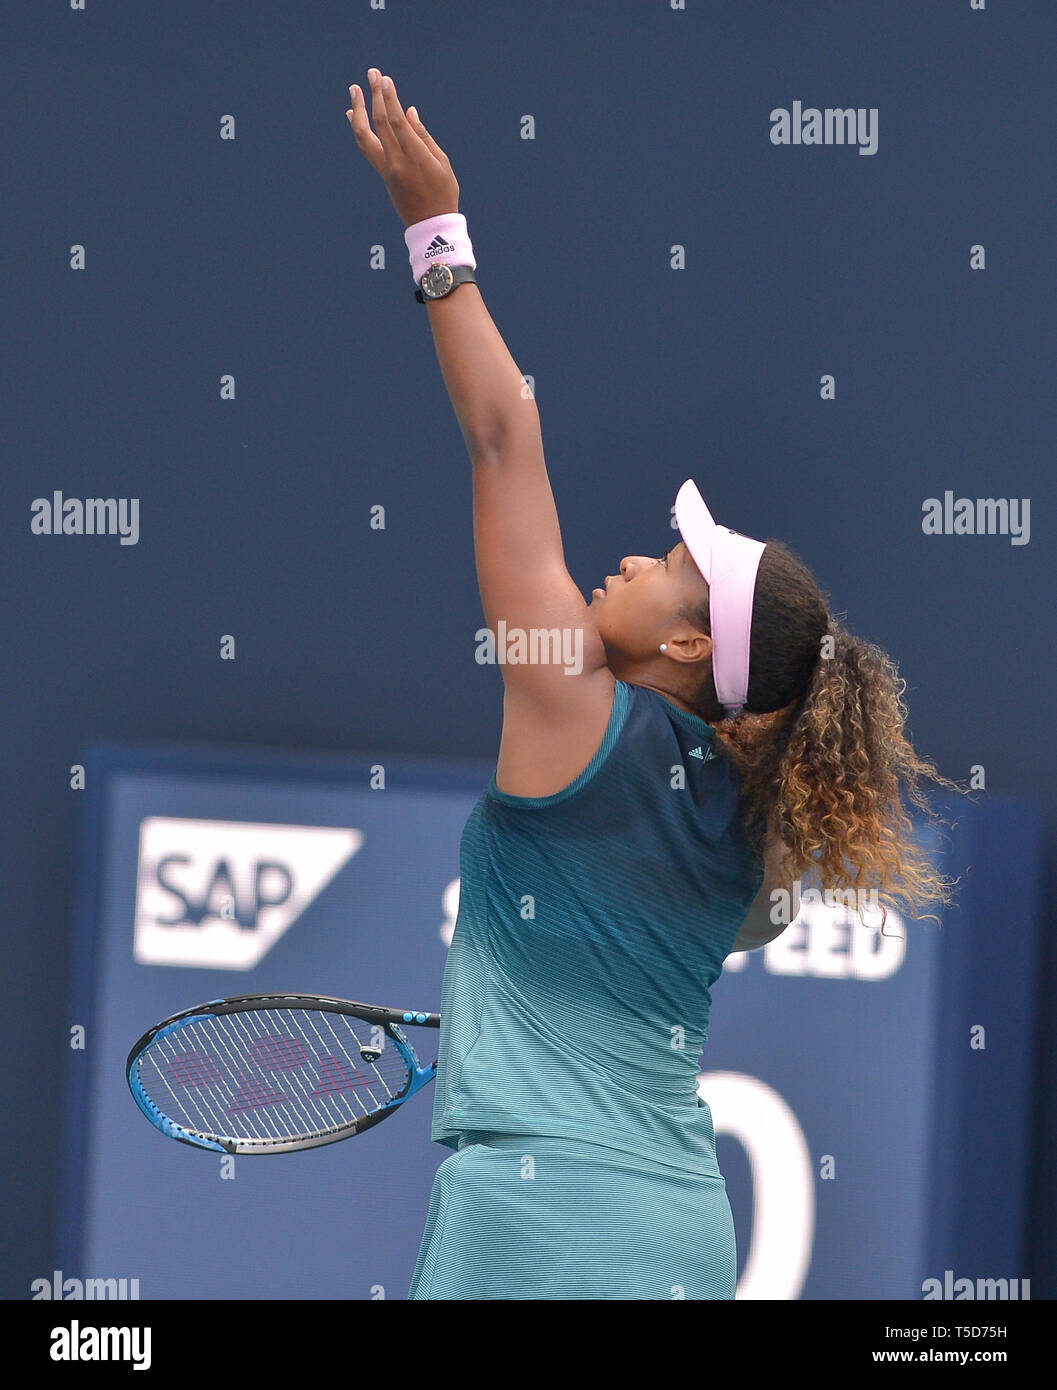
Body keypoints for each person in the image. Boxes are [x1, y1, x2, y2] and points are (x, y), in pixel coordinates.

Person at [346, 71, 960, 1300]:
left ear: (688, 650)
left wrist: (434, 227)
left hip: (534, 1215)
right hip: (681, 1227)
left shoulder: (563, 703)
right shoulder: (758, 837)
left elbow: (503, 437)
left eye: (663, 566)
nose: (628, 559)